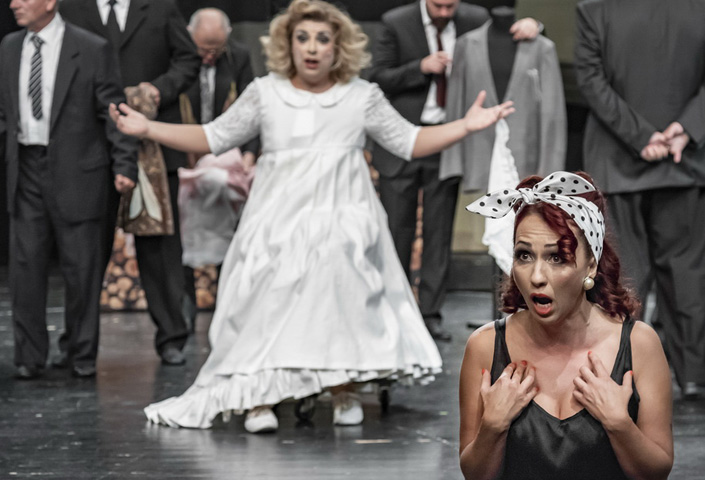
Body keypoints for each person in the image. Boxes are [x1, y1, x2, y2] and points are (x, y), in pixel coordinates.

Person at [111, 0, 514, 433]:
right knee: (267, 301)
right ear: (288, 44)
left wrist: (466, 126)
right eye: (302, 38)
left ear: (338, 47)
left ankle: (343, 389)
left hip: (342, 218)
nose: (312, 47)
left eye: (323, 39)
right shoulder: (266, 93)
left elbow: (409, 141)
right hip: (277, 220)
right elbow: (213, 136)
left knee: (341, 294)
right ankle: (259, 396)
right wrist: (148, 128)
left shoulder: (360, 96)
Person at [458, 171, 673, 480]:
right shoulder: (484, 346)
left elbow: (657, 472)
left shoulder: (640, 345)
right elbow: (475, 475)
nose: (536, 276)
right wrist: (492, 426)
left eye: (557, 258)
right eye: (524, 255)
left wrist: (619, 424)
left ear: (591, 265)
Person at [575, 0, 705, 400]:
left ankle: (619, 372)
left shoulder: (595, 8)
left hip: (617, 161)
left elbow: (591, 80)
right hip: (686, 161)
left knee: (622, 275)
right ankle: (696, 373)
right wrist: (685, 129)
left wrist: (642, 136)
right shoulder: (702, 8)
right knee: (686, 272)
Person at [366, 0, 541, 342]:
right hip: (401, 141)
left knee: (439, 231)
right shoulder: (395, 22)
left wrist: (536, 27)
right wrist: (420, 67)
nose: (445, 12)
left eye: (451, 6)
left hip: (448, 141)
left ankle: (430, 314)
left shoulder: (474, 18)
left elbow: (502, 40)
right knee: (397, 231)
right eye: (438, 5)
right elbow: (378, 78)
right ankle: (395, 313)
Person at [2, 0, 137, 379]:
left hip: (78, 171)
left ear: (49, 2)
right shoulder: (9, 47)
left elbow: (113, 110)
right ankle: (29, 357)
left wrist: (124, 165)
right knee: (25, 268)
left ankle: (80, 353)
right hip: (26, 167)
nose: (14, 4)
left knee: (81, 269)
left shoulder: (91, 48)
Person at [60, 0, 200, 366]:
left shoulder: (160, 8)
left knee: (160, 250)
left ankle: (171, 337)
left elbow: (188, 59)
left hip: (153, 143)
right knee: (86, 250)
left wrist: (159, 89)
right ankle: (77, 343)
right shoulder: (71, 9)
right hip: (91, 144)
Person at [180, 7, 260, 326]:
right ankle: (185, 302)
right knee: (184, 230)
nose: (210, 56)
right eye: (203, 48)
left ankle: (227, 298)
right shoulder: (177, 56)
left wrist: (250, 155)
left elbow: (252, 109)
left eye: (216, 49)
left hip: (227, 155)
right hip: (184, 152)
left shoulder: (238, 56)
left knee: (230, 221)